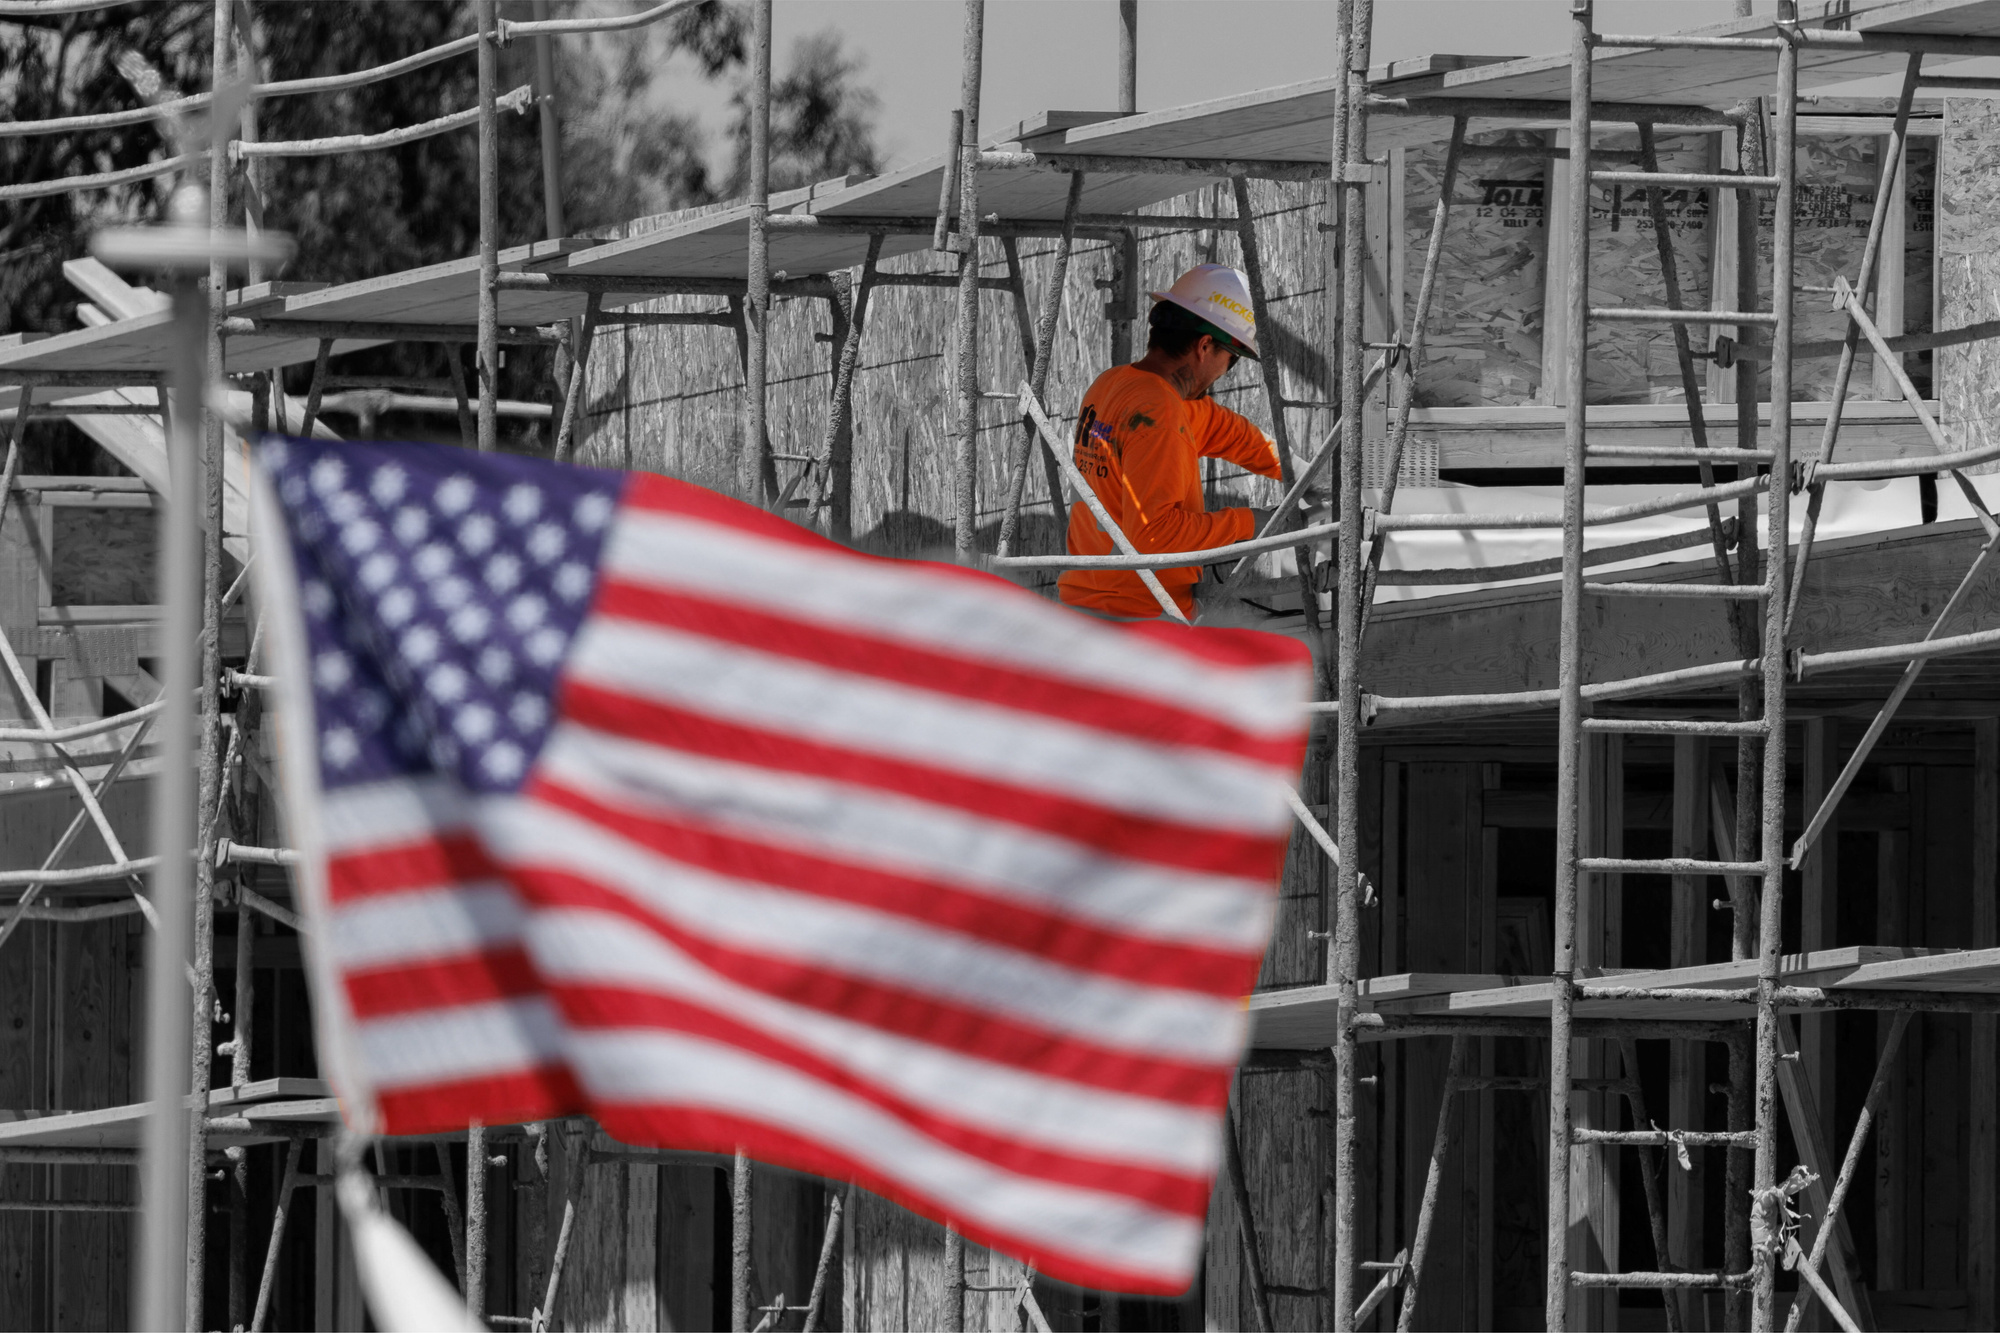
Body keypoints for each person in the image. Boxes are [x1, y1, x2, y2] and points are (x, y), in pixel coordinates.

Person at [1057, 263, 1300, 621]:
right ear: (1204, 346)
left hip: (1084, 606)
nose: (1224, 372)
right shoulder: (1160, 412)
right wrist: (1254, 523)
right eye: (1231, 360)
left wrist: (1303, 473)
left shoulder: (1114, 384)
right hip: (1138, 619)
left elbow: (1225, 431)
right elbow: (1154, 537)